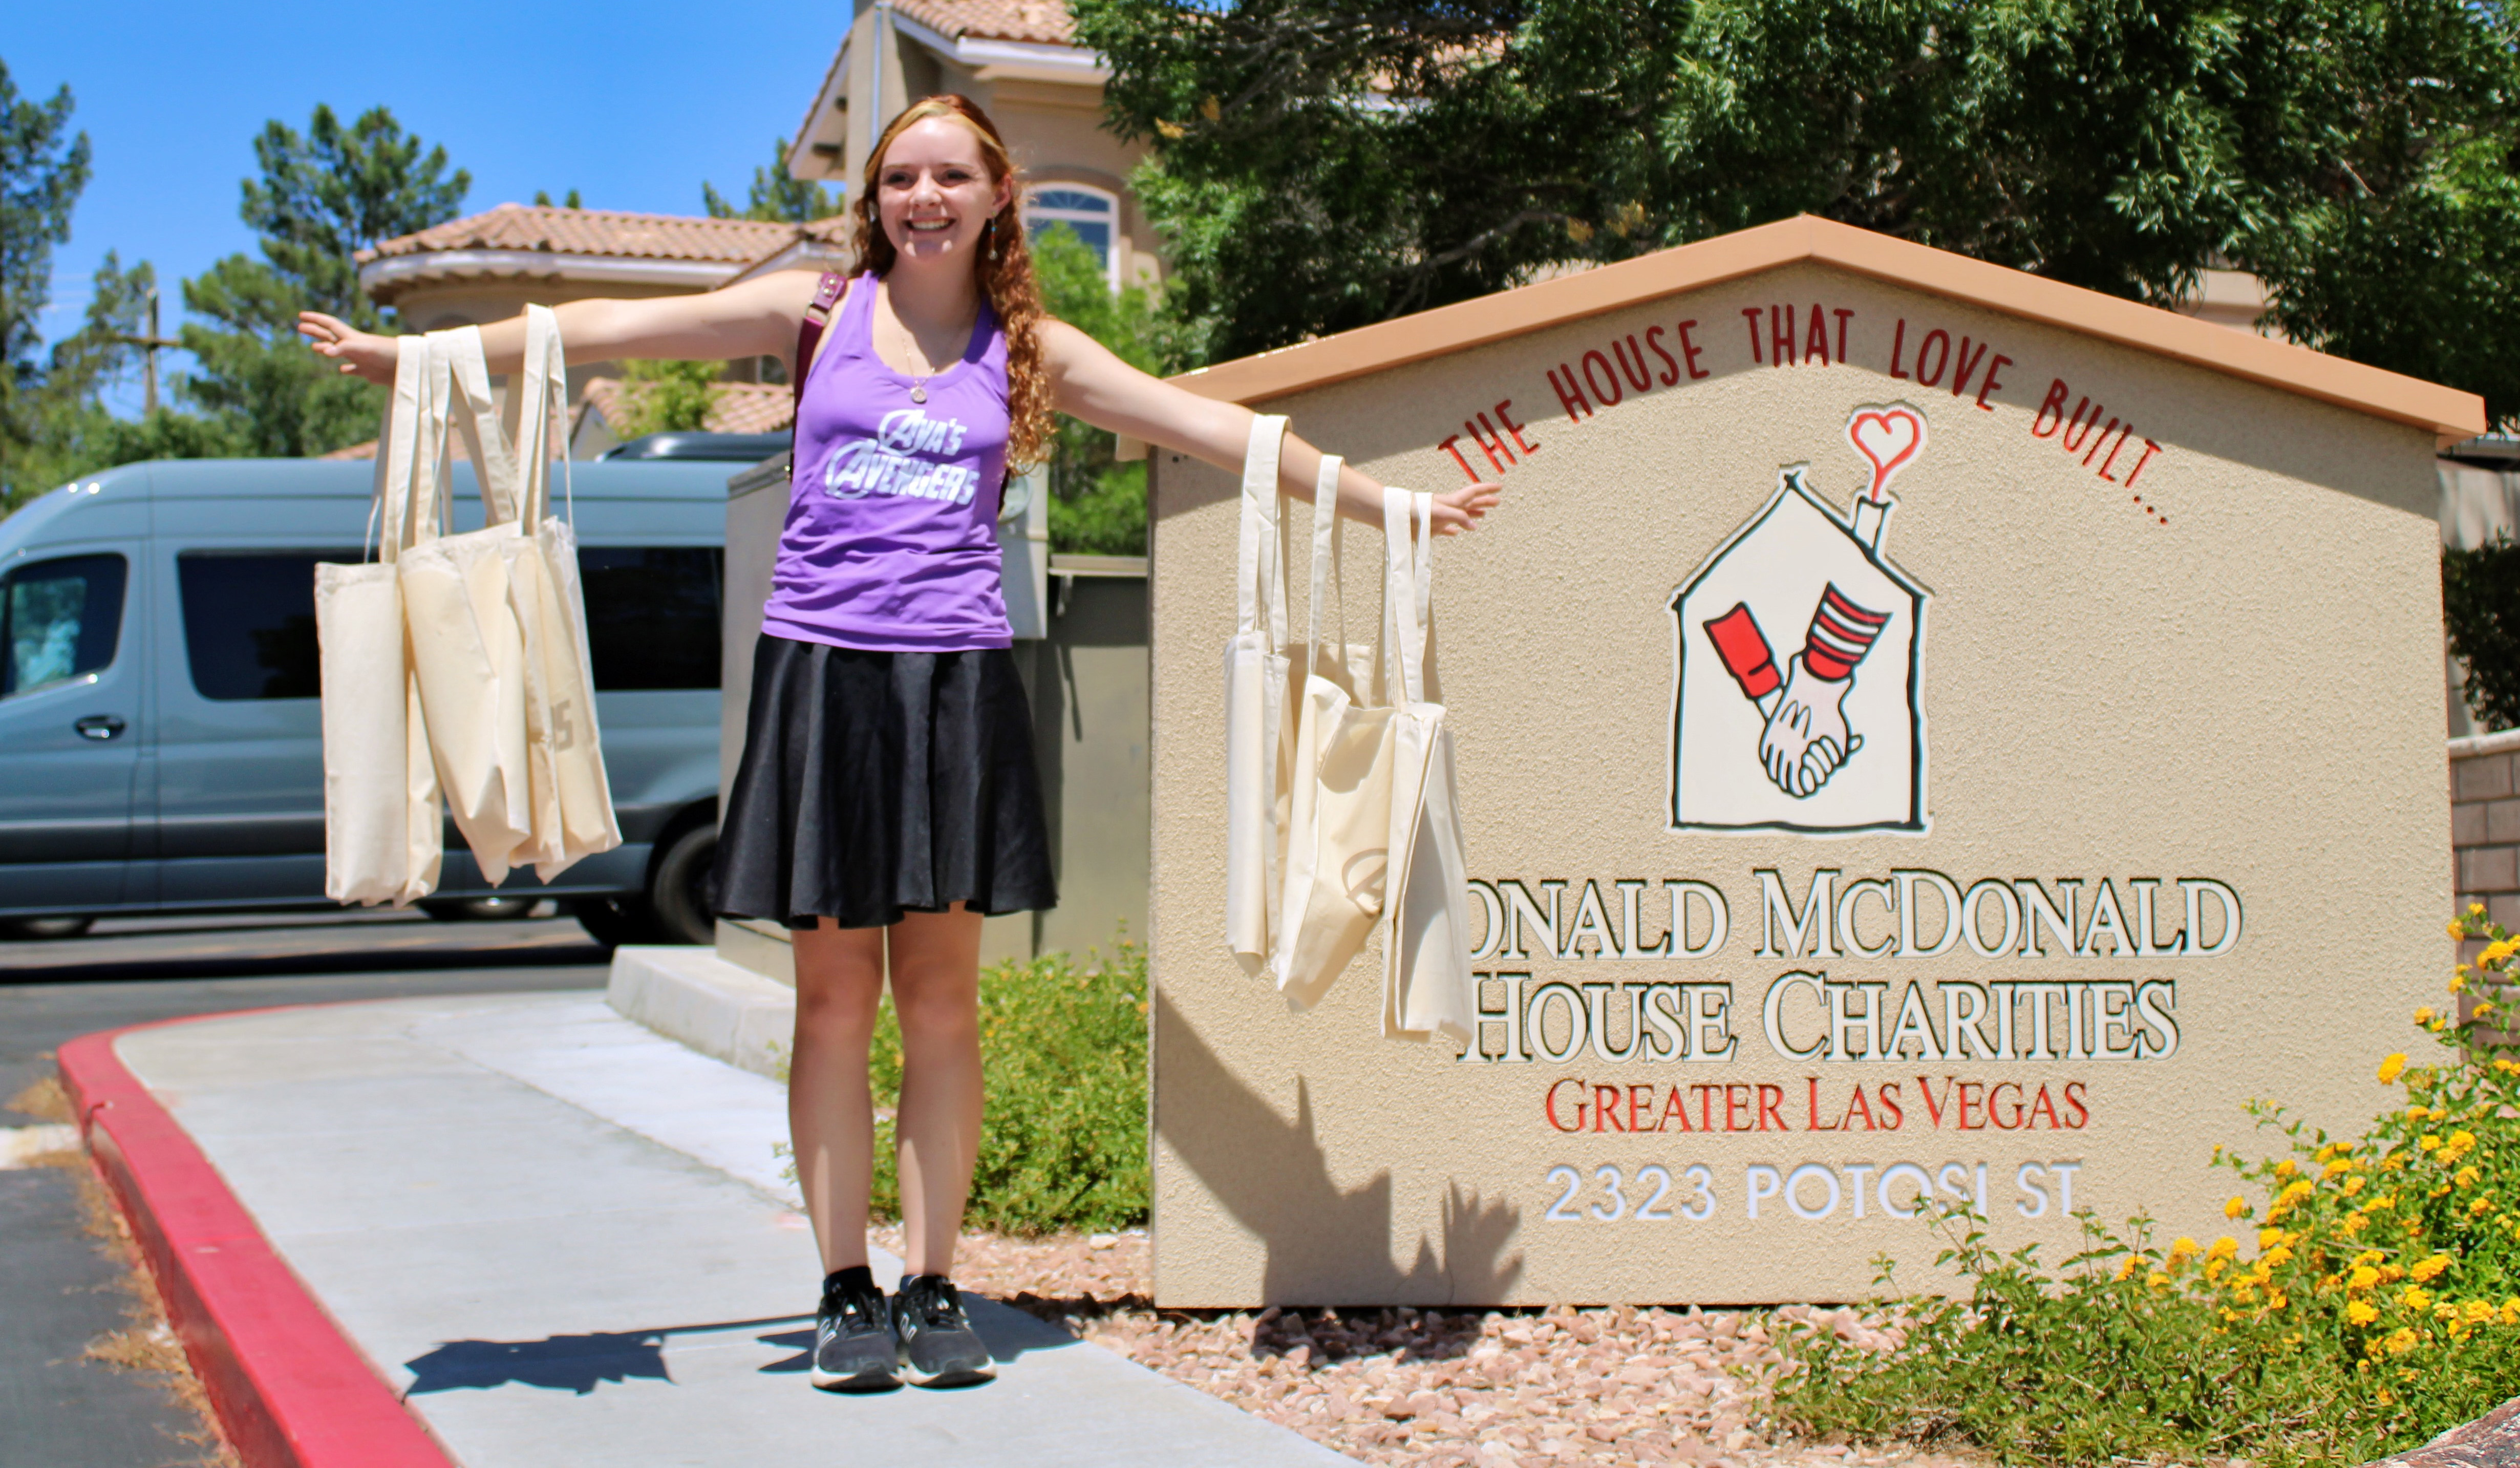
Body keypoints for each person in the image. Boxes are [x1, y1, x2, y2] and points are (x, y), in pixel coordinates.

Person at [301, 93, 1500, 1394]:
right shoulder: (811, 315)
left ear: (995, 198)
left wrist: (1393, 507)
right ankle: (841, 1290)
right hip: (822, 682)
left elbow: (1210, 429)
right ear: (874, 202)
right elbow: (605, 324)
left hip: (955, 693)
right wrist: (420, 360)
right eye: (899, 178)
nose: (922, 197)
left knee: (940, 1006)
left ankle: (933, 1287)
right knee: (832, 1006)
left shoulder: (1032, 347)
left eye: (948, 176)